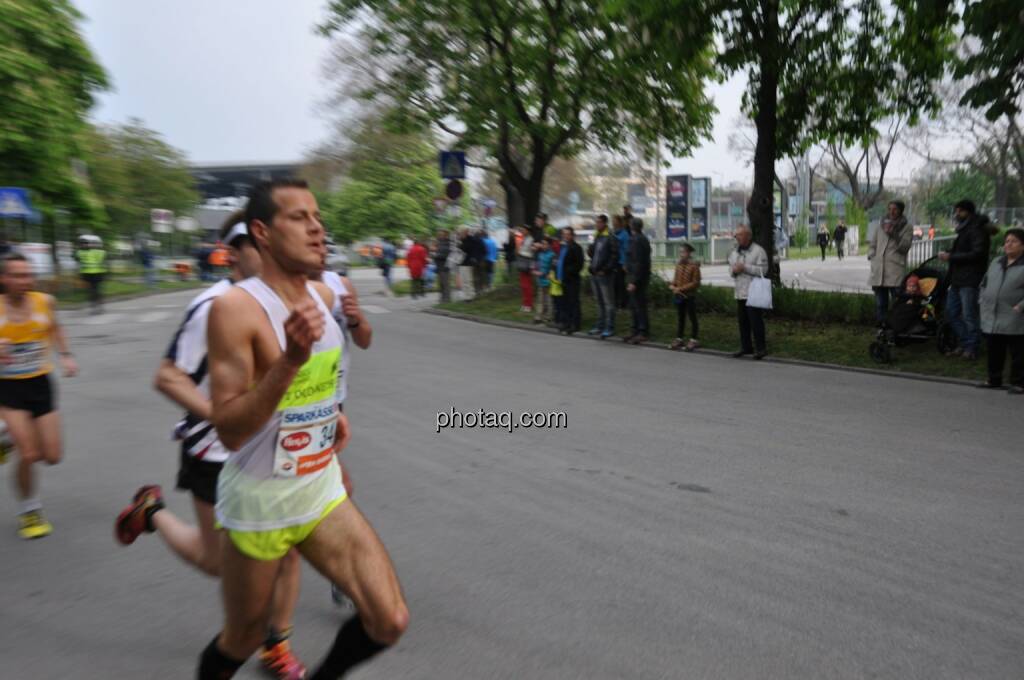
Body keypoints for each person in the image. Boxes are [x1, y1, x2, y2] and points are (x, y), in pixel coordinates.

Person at [194, 180, 407, 679]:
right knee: (244, 638)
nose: (317, 227)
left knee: (389, 619)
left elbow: (332, 365)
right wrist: (289, 360)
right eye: (299, 217)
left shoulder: (323, 290)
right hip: (260, 500)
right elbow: (228, 431)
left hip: (318, 485)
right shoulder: (235, 310)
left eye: (318, 216)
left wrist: (330, 412)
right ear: (263, 233)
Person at [114, 215, 309, 679]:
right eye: (250, 246)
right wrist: (222, 415)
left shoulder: (286, 302)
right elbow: (167, 377)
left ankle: (275, 644)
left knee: (289, 549)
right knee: (218, 563)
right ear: (233, 252)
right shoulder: (213, 305)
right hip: (217, 452)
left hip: (276, 452)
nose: (263, 255)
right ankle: (152, 510)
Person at [0, 253, 78, 539]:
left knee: (52, 456)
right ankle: (29, 510)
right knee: (30, 454)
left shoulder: (44, 301)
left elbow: (56, 327)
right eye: (18, 275)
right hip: (7, 389)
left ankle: (6, 437)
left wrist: (66, 355)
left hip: (40, 385)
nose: (26, 281)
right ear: (4, 279)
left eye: (28, 274)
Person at [939, 200, 992, 360]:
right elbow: (965, 249)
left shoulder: (976, 229)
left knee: (969, 315)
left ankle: (972, 347)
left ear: (967, 212)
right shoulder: (965, 228)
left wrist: (952, 257)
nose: (956, 214)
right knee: (952, 313)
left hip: (970, 279)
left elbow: (978, 253)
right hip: (957, 278)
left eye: (959, 211)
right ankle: (965, 342)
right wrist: (950, 252)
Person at [977, 228, 1024, 393]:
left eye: (1013, 241)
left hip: (1015, 315)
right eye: (1006, 241)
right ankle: (994, 379)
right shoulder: (997, 262)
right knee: (995, 349)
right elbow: (984, 283)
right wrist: (982, 299)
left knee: (1018, 352)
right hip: (993, 313)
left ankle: (1019, 382)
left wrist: (1020, 306)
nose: (1008, 244)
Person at [868, 201, 913, 324]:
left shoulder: (907, 227)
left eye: (895, 209)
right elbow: (873, 244)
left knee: (897, 302)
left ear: (901, 211)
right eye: (889, 209)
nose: (892, 212)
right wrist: (872, 256)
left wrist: (894, 234)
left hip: (895, 270)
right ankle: (882, 327)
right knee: (880, 303)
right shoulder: (880, 225)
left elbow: (905, 247)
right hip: (879, 270)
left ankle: (897, 327)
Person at [728, 225, 769, 359]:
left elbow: (764, 270)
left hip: (754, 292)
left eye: (739, 235)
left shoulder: (758, 251)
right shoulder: (735, 252)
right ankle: (746, 347)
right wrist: (734, 271)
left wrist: (745, 267)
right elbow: (731, 270)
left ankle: (761, 349)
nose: (737, 237)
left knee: (756, 322)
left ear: (748, 236)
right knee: (743, 322)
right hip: (740, 292)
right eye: (736, 235)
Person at [586, 215, 618, 338]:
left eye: (599, 222)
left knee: (608, 302)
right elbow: (592, 254)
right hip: (594, 273)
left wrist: (606, 270)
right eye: (596, 222)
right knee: (599, 301)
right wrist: (590, 247)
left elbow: (614, 256)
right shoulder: (596, 236)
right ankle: (600, 325)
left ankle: (609, 327)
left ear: (605, 223)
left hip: (604, 275)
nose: (596, 224)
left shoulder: (610, 237)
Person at [669, 243, 701, 352]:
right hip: (679, 296)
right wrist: (672, 285)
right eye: (680, 252)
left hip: (690, 296)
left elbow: (695, 282)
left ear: (689, 253)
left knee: (692, 318)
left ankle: (694, 339)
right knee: (680, 317)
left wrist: (681, 288)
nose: (681, 254)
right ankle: (679, 338)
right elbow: (675, 279)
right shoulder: (678, 265)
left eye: (683, 252)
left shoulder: (694, 266)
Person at [624, 218, 651, 344]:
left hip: (637, 278)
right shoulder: (639, 239)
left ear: (632, 226)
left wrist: (633, 281)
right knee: (634, 306)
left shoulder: (637, 240)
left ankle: (642, 331)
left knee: (639, 306)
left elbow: (638, 262)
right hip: (637, 276)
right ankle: (635, 330)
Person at [557, 227, 584, 335]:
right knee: (565, 302)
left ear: (572, 235)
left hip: (572, 280)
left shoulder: (576, 247)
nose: (565, 236)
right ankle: (566, 322)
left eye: (568, 234)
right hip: (563, 279)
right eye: (564, 234)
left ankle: (575, 324)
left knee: (573, 302)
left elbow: (579, 264)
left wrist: (568, 271)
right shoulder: (564, 247)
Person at [76, 237, 107, 312]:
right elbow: (78, 261)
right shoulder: (79, 252)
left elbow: (103, 255)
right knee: (91, 290)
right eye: (82, 244)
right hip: (87, 274)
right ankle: (95, 304)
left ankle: (98, 304)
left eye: (85, 244)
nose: (84, 245)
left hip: (97, 273)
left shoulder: (94, 251)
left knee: (95, 289)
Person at [533, 238, 555, 324]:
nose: (543, 246)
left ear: (549, 245)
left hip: (548, 280)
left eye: (545, 244)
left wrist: (544, 273)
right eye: (542, 244)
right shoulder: (540, 254)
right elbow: (537, 265)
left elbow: (552, 267)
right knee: (540, 300)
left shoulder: (552, 255)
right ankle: (538, 316)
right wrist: (535, 270)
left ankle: (548, 316)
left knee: (549, 300)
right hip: (540, 280)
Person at [515, 226, 536, 312]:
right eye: (522, 230)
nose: (522, 231)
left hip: (528, 264)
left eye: (524, 230)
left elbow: (531, 253)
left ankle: (529, 305)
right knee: (523, 286)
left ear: (528, 231)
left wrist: (520, 252)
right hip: (522, 263)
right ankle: (525, 303)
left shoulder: (531, 240)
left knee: (528, 286)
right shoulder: (523, 239)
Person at [612, 215, 631, 310]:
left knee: (621, 284)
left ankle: (623, 303)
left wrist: (625, 263)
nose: (613, 223)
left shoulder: (624, 234)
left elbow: (627, 249)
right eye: (612, 221)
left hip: (621, 262)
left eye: (615, 221)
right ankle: (615, 303)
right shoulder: (613, 233)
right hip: (613, 262)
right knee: (614, 283)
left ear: (619, 222)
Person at [458, 228, 478, 301]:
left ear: (466, 232)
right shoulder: (461, 241)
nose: (460, 234)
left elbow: (468, 249)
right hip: (461, 262)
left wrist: (461, 242)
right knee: (463, 280)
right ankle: (466, 296)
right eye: (460, 233)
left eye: (461, 232)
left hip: (468, 262)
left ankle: (471, 296)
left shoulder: (471, 240)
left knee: (468, 280)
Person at [433, 229, 452, 303]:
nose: (439, 236)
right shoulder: (439, 243)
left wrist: (436, 255)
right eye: (438, 234)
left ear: (445, 235)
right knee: (440, 283)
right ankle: (442, 297)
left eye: (441, 234)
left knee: (445, 282)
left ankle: (447, 298)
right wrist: (434, 254)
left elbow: (446, 254)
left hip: (445, 266)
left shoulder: (448, 243)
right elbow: (437, 251)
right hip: (439, 265)